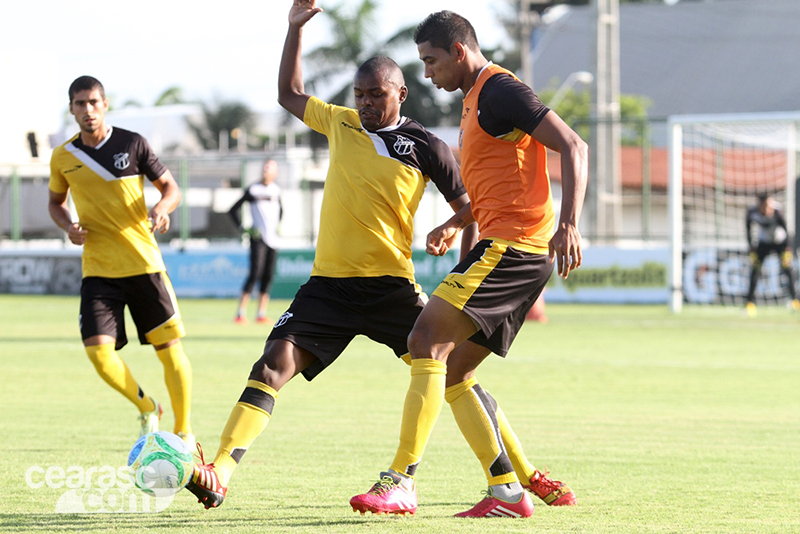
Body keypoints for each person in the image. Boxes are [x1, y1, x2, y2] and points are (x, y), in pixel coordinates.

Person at [185, 0, 558, 512]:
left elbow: (471, 210)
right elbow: (288, 94)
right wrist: (293, 30)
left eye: (375, 95)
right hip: (328, 288)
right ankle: (220, 472)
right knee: (271, 364)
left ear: (401, 94)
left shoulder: (427, 146)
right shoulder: (340, 124)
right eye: (359, 95)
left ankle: (518, 475)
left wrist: (456, 244)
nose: (364, 103)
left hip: (391, 289)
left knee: (452, 375)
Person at [351, 11, 587, 518]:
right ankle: (509, 490)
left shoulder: (500, 91)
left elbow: (574, 145)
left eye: (432, 61)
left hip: (513, 249)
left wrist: (569, 222)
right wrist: (460, 222)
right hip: (506, 248)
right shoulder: (477, 99)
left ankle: (400, 482)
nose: (429, 73)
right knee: (454, 369)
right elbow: (500, 181)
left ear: (459, 52)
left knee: (423, 341)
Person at [48, 76, 194, 446]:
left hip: (143, 262)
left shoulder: (132, 143)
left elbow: (170, 188)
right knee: (98, 353)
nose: (88, 110)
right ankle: (148, 407)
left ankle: (183, 431)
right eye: (80, 104)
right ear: (71, 109)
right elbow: (55, 202)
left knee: (170, 352)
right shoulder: (64, 156)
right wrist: (68, 225)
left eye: (93, 102)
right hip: (98, 269)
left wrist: (162, 208)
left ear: (105, 104)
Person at [228, 159, 283, 324]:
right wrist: (243, 228)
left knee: (267, 275)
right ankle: (240, 313)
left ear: (275, 172)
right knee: (255, 274)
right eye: (265, 167)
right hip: (258, 239)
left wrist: (278, 226)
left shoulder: (276, 190)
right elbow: (232, 210)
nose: (266, 171)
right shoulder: (253, 189)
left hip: (273, 240)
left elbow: (282, 210)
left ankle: (261, 313)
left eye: (270, 168)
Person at [745, 193, 799, 316]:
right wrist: (751, 248)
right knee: (755, 270)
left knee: (787, 269)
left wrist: (788, 249)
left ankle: (795, 301)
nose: (767, 208)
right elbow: (748, 229)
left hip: (780, 242)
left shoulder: (777, 211)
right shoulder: (752, 212)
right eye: (764, 206)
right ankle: (749, 303)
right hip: (763, 242)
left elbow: (786, 230)